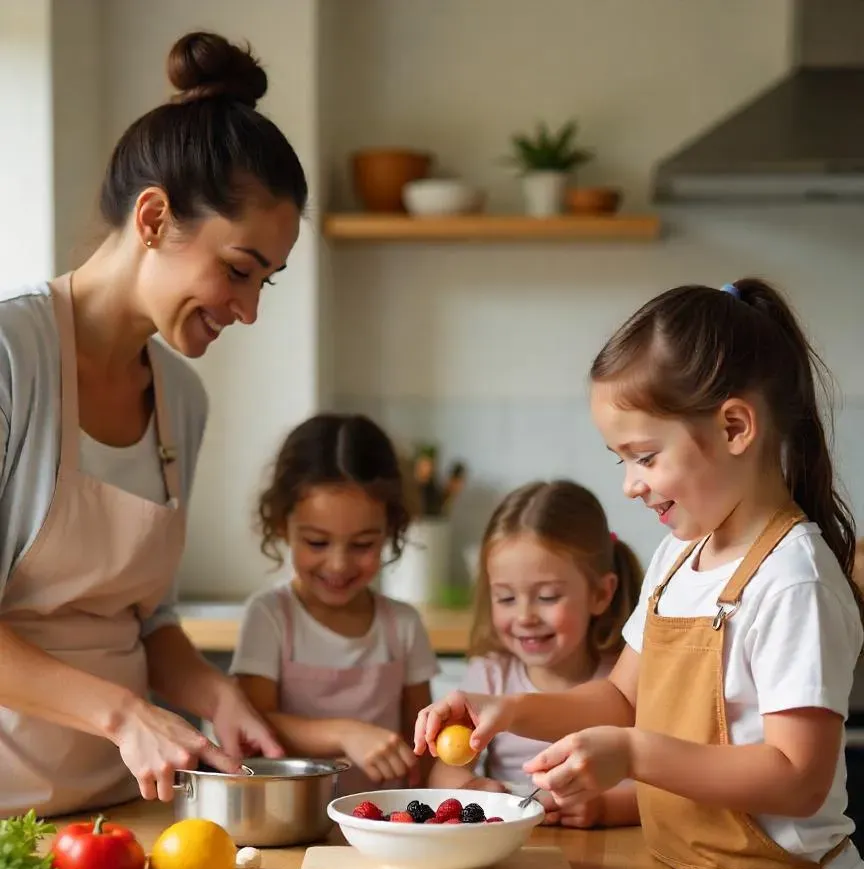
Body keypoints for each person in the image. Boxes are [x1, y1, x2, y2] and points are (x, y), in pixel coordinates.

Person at [416, 279, 864, 869]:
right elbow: (619, 693)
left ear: (735, 428)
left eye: (643, 455)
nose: (628, 484)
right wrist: (512, 707)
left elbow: (797, 775)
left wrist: (632, 753)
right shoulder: (680, 555)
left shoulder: (794, 576)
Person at [0, 31, 309, 817]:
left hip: (120, 812)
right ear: (153, 217)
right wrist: (123, 715)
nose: (248, 309)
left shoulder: (181, 399)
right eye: (239, 271)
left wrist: (218, 696)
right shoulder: (11, 359)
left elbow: (150, 620)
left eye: (266, 282)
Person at [232, 413, 438, 795]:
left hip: (385, 823)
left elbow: (424, 748)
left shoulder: (403, 625)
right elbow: (255, 723)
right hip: (290, 821)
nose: (339, 565)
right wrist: (344, 733)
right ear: (282, 524)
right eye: (316, 542)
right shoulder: (271, 616)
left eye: (362, 545)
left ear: (391, 530)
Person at [429, 480, 642, 828]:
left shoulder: (627, 679)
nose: (525, 617)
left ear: (601, 594)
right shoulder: (489, 677)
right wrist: (471, 790)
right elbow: (444, 772)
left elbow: (666, 788)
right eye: (506, 598)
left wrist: (605, 808)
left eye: (547, 597)